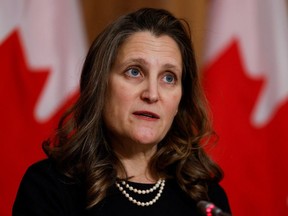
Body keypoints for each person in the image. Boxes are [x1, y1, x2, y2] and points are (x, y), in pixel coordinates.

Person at [13, 8, 231, 216]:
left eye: (168, 78)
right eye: (134, 72)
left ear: (180, 100)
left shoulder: (206, 199)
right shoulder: (49, 187)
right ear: (100, 86)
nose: (152, 94)